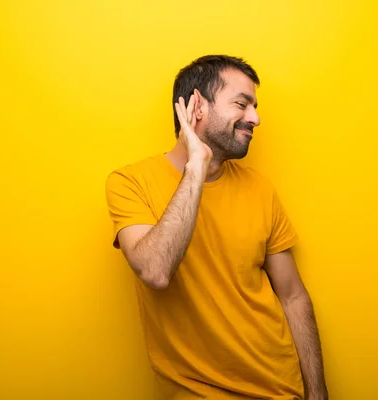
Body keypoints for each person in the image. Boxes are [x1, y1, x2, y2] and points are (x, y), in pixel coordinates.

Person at [105, 55, 328, 400]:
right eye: (242, 104)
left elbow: (293, 296)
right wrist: (197, 164)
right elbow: (155, 270)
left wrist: (317, 395)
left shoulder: (260, 189)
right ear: (197, 105)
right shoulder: (130, 183)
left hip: (281, 389)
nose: (255, 118)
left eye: (254, 106)